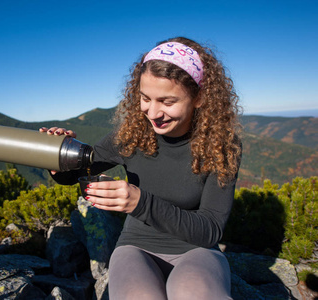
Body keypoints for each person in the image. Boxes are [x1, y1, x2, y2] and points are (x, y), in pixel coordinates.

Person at [40, 36, 242, 299]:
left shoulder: (221, 146)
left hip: (197, 250)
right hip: (136, 248)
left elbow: (210, 230)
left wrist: (140, 203)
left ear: (200, 98)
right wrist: (59, 155)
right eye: (145, 98)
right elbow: (75, 173)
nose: (153, 113)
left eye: (167, 102)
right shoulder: (132, 135)